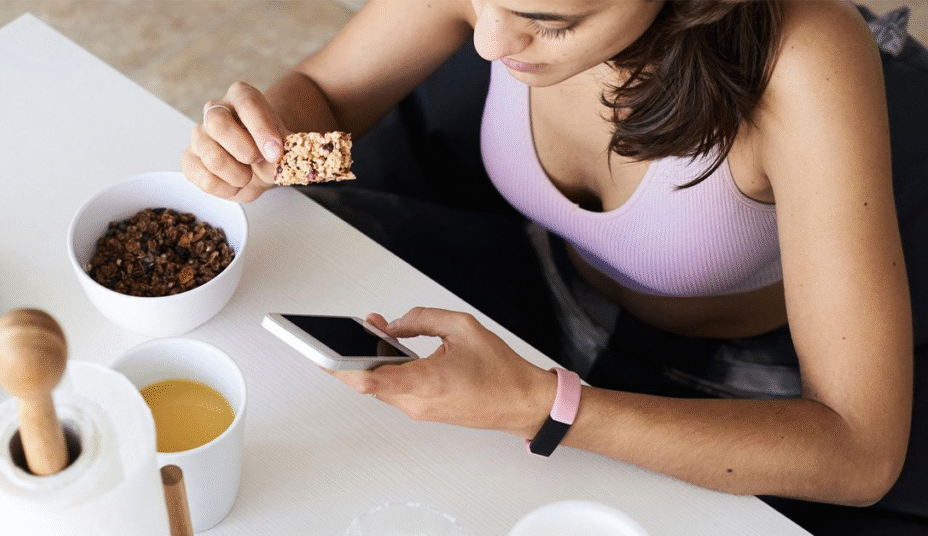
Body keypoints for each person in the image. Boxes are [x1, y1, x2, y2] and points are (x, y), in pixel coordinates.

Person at [182, 1, 925, 533]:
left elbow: (862, 456)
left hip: (729, 378)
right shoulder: (494, 13)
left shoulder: (804, 59)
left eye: (549, 20)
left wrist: (545, 407)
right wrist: (263, 140)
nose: (487, 39)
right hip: (538, 282)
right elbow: (331, 97)